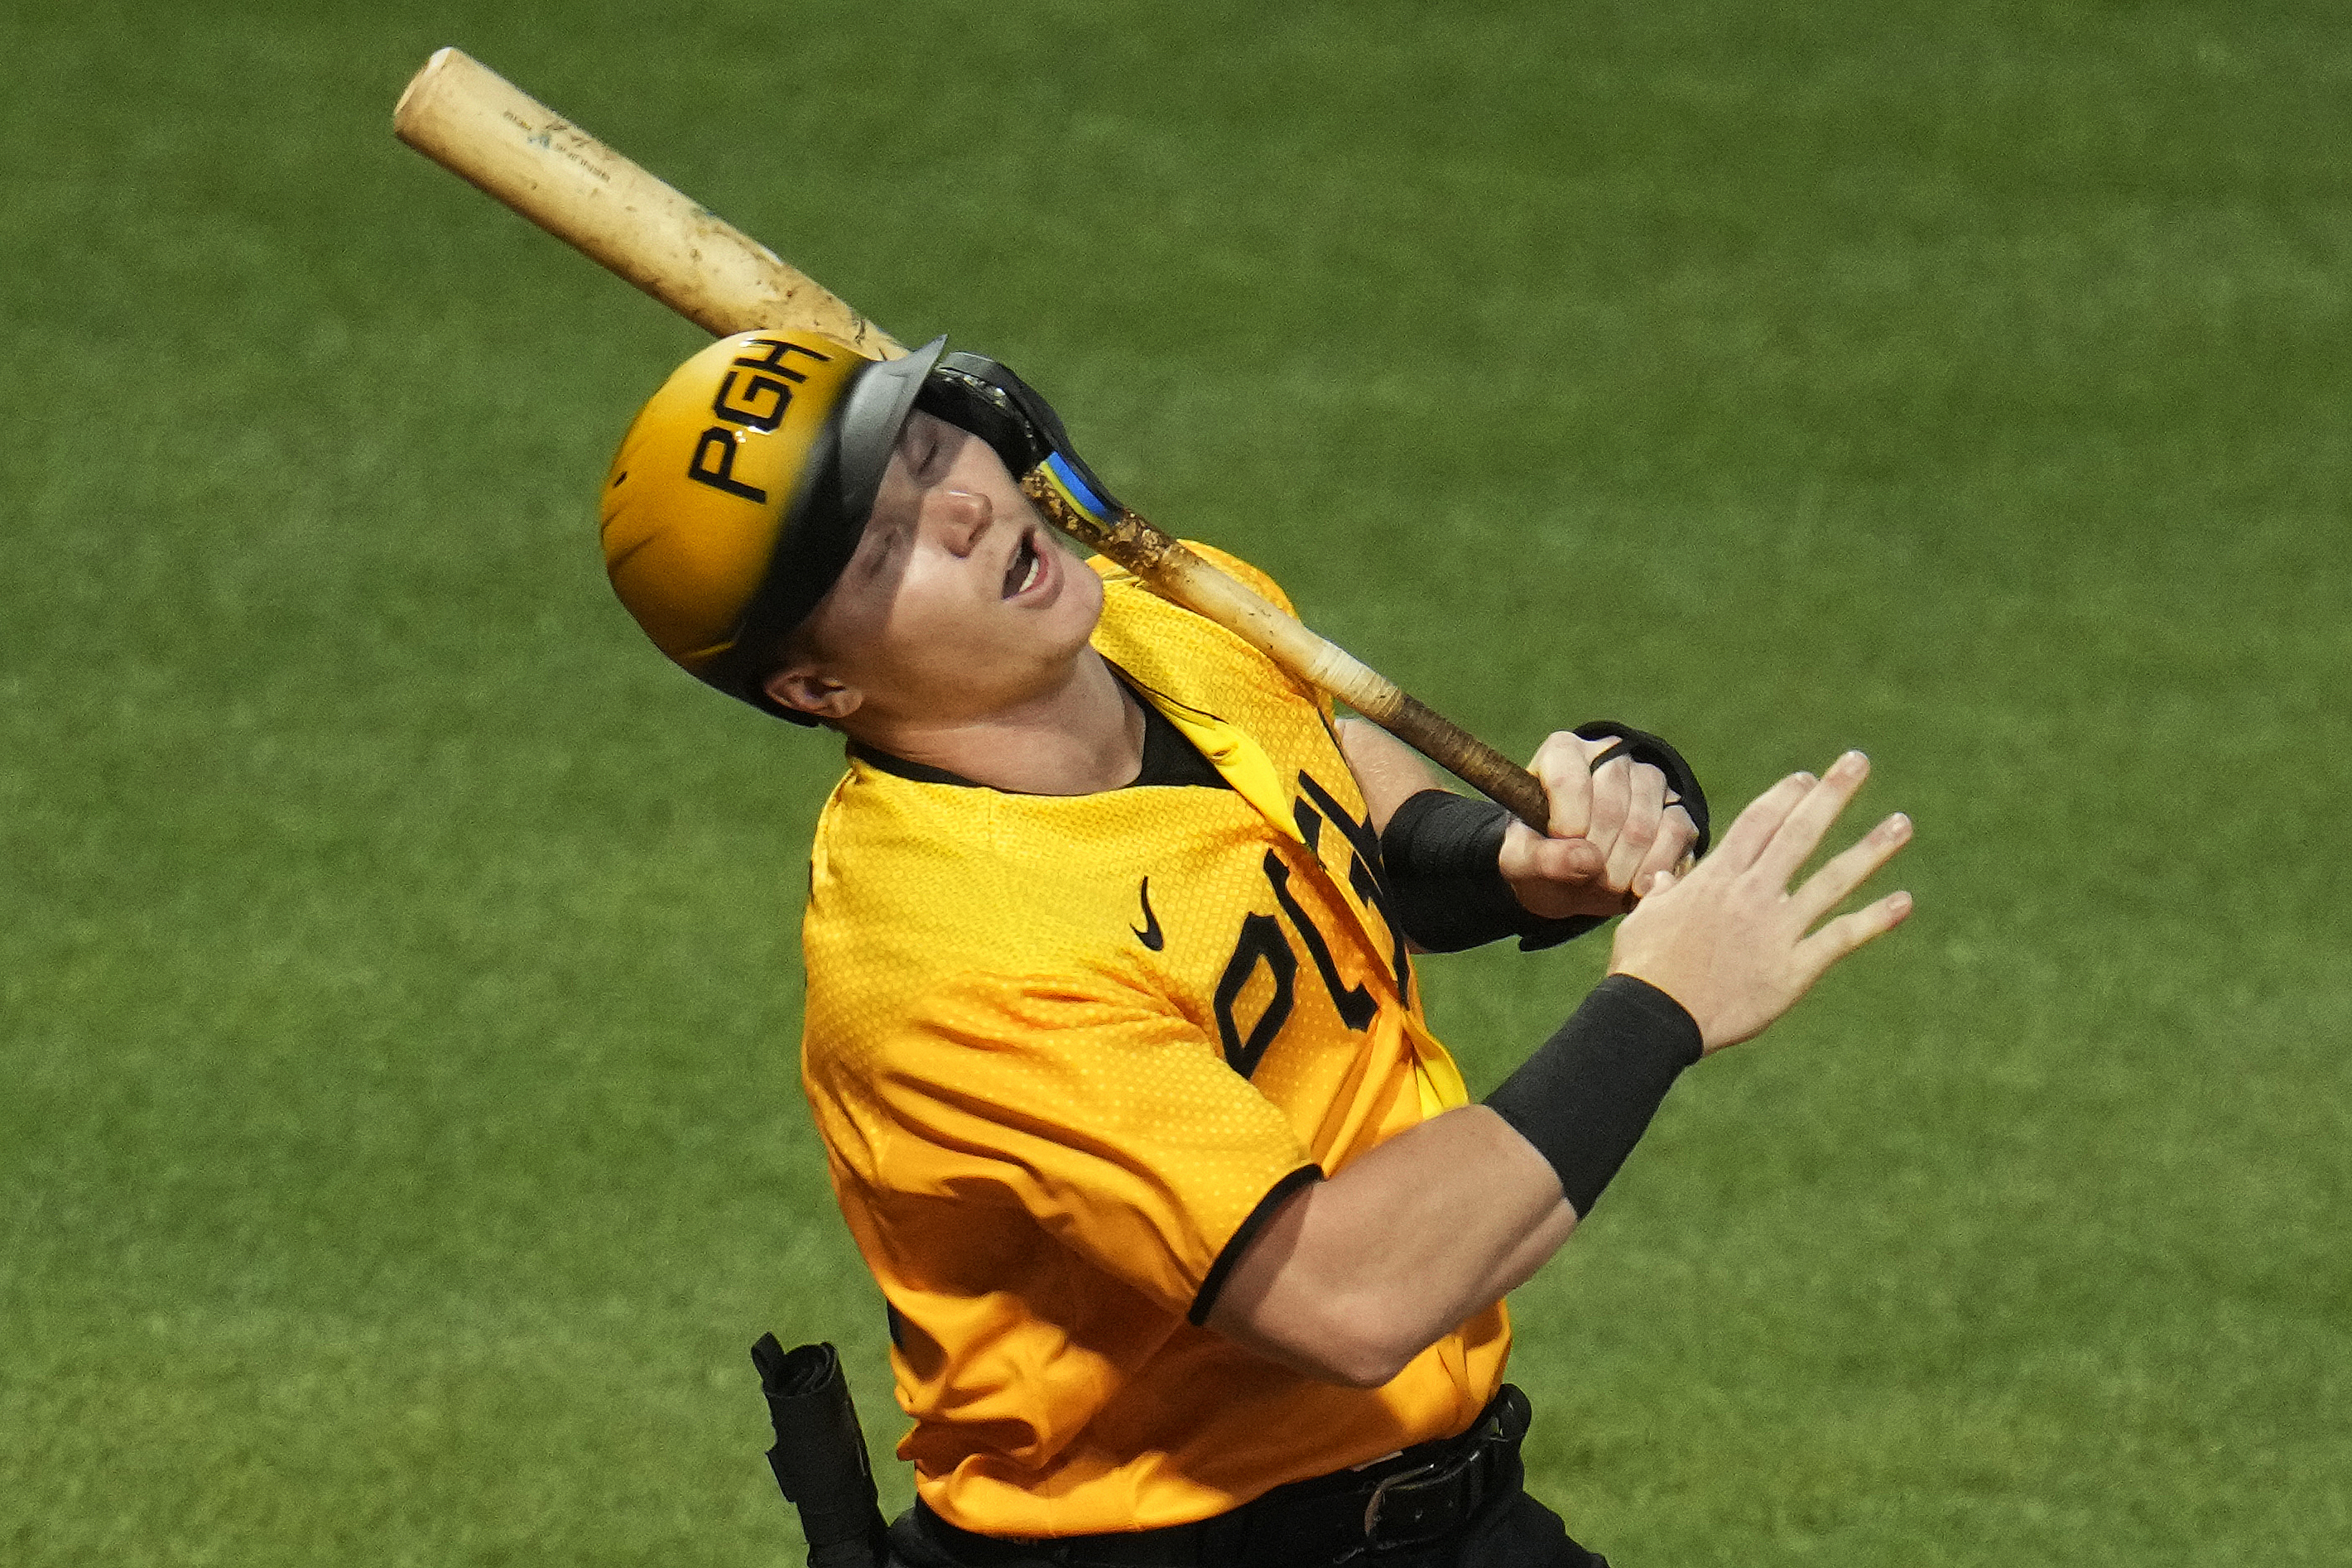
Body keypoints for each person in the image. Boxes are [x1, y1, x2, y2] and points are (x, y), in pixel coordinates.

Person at [599, 329, 1915, 1567]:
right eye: (884, 546)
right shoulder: (953, 962)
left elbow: (1346, 812)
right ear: (818, 688)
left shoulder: (1159, 614)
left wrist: (1522, 862)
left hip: (1447, 1508)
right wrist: (1661, 1003)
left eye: (928, 449)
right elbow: (1348, 1291)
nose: (961, 508)